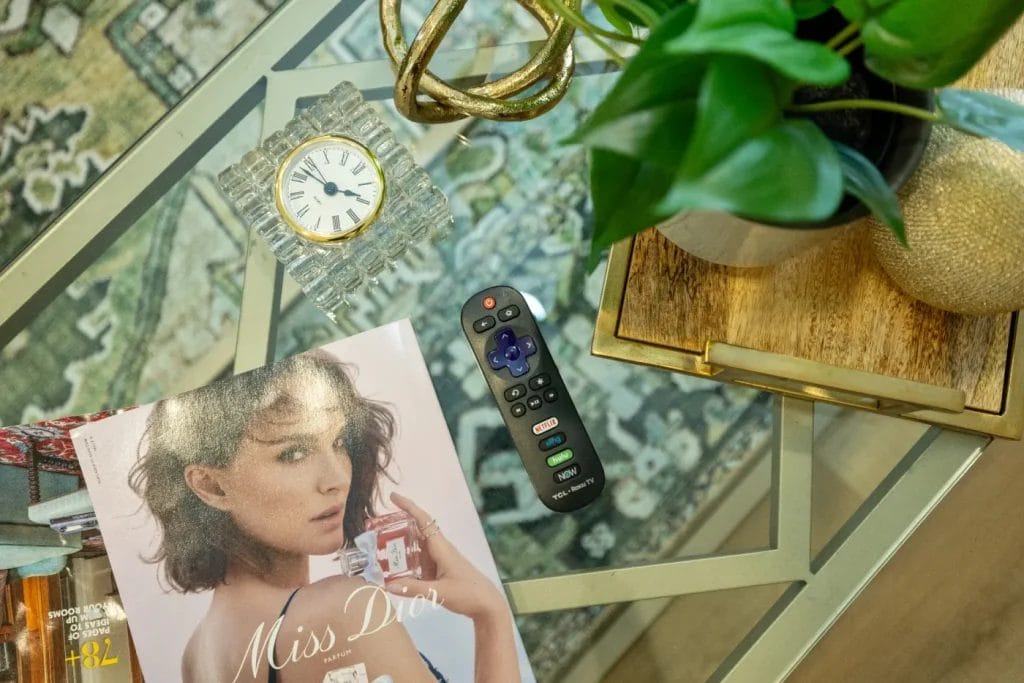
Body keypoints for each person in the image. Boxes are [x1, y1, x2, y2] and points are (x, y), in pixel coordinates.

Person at [129, 350, 521, 683]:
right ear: (211, 486)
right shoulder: (341, 609)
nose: (336, 479)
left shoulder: (198, 653)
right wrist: (491, 611)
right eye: (293, 453)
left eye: (337, 442)